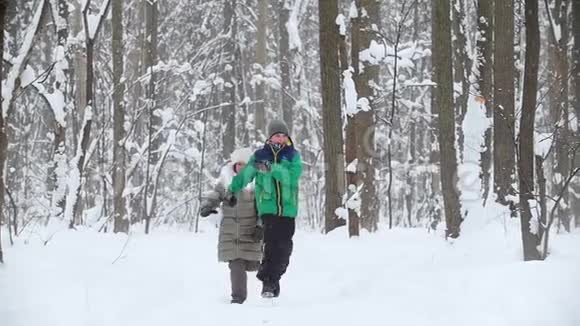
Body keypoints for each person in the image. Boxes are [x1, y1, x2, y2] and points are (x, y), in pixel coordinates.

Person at [228, 120, 303, 298]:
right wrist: (232, 190)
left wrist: (271, 168)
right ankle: (267, 283)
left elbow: (291, 177)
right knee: (271, 245)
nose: (281, 138)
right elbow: (245, 175)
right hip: (268, 207)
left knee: (285, 248)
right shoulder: (260, 155)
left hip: (288, 209)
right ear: (270, 137)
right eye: (278, 135)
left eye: (284, 135)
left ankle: (274, 278)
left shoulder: (293, 155)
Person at [200, 148, 263, 304]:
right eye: (238, 164)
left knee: (257, 263)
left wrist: (261, 226)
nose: (241, 167)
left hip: (250, 231)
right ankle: (238, 298)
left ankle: (270, 290)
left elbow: (263, 207)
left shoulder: (256, 184)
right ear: (234, 166)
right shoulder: (226, 182)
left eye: (245, 164)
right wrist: (207, 205)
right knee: (236, 264)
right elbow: (215, 195)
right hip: (231, 232)